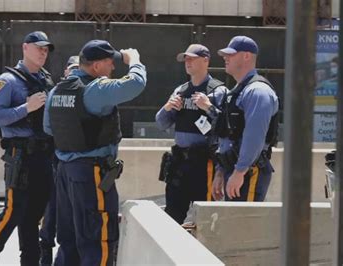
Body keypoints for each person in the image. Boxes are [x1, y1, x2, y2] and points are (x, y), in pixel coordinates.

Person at [44, 40, 147, 265]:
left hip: (64, 173)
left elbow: (48, 128)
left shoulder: (56, 91)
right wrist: (135, 61)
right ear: (97, 66)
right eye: (110, 64)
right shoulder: (96, 89)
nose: (112, 69)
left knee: (68, 242)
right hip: (91, 176)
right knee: (97, 242)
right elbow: (136, 84)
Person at [0, 31, 55, 266]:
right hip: (19, 156)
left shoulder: (47, 80)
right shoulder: (7, 81)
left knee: (33, 217)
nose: (43, 52)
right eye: (39, 47)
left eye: (46, 49)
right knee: (12, 212)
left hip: (44, 156)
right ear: (25, 48)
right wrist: (26, 108)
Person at [155, 44, 228, 225]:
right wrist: (168, 107)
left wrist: (209, 108)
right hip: (180, 163)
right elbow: (161, 123)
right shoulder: (180, 90)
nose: (187, 62)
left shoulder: (218, 91)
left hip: (204, 164)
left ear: (205, 60)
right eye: (185, 59)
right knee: (172, 215)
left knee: (204, 219)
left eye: (192, 58)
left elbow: (227, 127)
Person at [210, 36, 279, 202]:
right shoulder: (238, 91)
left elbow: (254, 137)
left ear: (247, 56)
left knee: (244, 227)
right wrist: (220, 171)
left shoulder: (258, 91)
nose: (225, 58)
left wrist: (239, 172)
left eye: (231, 54)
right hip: (234, 171)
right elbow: (227, 134)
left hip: (248, 173)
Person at [38, 54, 80, 266]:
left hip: (69, 162)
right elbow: (47, 128)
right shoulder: (57, 92)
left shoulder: (76, 92)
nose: (73, 72)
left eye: (77, 68)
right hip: (57, 160)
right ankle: (45, 252)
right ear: (65, 71)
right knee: (52, 209)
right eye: (71, 68)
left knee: (68, 214)